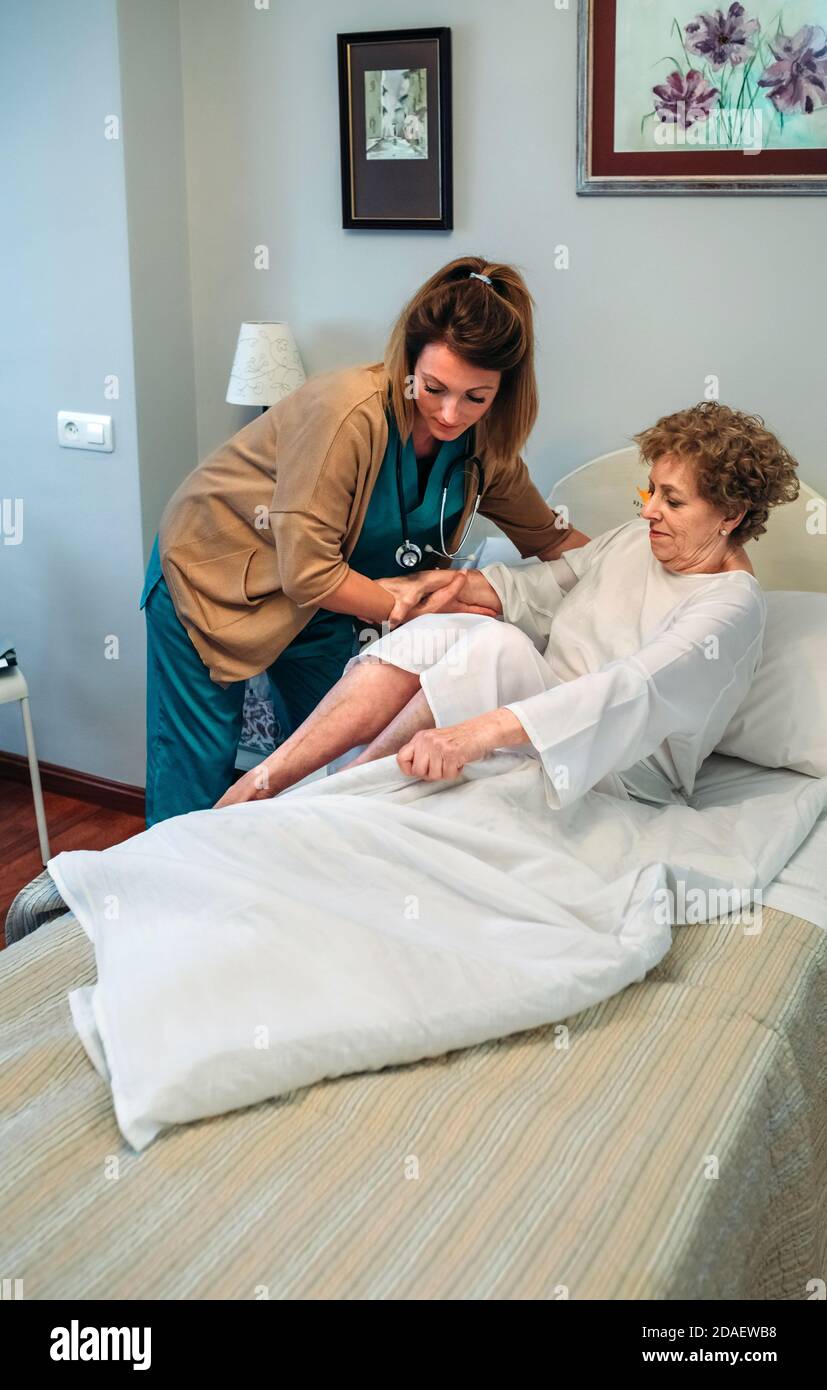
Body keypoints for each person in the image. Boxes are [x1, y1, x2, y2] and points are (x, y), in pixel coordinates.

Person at [140, 256, 588, 825]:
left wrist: (648, 568)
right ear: (407, 364)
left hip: (329, 605)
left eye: (476, 397)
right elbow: (308, 572)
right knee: (196, 766)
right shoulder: (346, 414)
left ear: (504, 390)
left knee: (343, 759)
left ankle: (283, 884)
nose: (452, 414)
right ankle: (159, 899)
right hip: (216, 571)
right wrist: (421, 602)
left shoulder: (487, 451)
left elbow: (550, 538)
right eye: (434, 388)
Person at [213, 400, 799, 810]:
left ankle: (337, 793)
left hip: (621, 770)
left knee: (494, 644)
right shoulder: (640, 540)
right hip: (542, 711)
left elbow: (631, 690)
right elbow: (545, 587)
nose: (648, 510)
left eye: (671, 500)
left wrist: (472, 737)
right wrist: (438, 586)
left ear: (730, 516)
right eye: (650, 491)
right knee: (447, 625)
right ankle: (273, 779)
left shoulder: (730, 607)